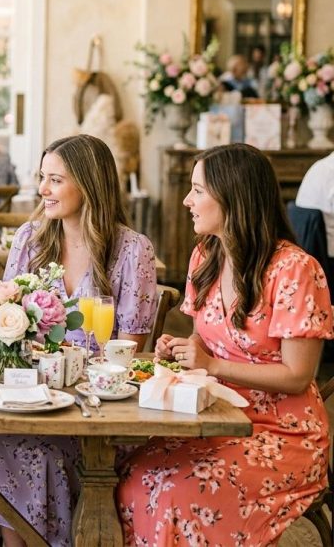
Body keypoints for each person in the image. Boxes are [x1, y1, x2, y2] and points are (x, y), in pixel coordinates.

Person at [118, 144, 333, 545]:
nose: (186, 200)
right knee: (133, 475)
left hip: (280, 434)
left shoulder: (295, 269)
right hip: (213, 415)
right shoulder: (206, 256)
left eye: (197, 190)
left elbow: (298, 375)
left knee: (172, 494)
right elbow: (205, 333)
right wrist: (184, 348)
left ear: (233, 196)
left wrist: (213, 366)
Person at [0, 134, 158, 547]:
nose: (42, 190)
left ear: (88, 184)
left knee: (33, 451)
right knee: (2, 441)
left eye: (55, 180)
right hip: (31, 400)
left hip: (96, 413)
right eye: (42, 177)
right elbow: (5, 327)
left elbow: (126, 355)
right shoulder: (30, 239)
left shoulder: (132, 251)